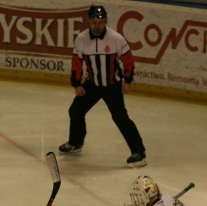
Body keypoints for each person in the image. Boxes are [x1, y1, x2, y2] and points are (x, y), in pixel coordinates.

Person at [59, 5, 147, 168]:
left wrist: (127, 81)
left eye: (100, 22)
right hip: (92, 85)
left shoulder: (116, 38)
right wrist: (77, 84)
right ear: (88, 23)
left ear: (105, 21)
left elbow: (128, 60)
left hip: (112, 86)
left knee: (120, 118)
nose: (97, 25)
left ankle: (139, 152)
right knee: (76, 110)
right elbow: (76, 63)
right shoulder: (81, 39)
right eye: (93, 22)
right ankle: (76, 143)